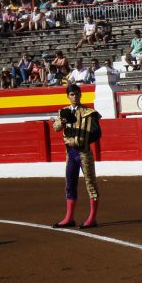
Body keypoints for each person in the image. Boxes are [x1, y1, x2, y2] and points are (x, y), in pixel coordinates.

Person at [51, 83, 102, 229]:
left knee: (90, 184)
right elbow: (56, 128)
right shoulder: (64, 112)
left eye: (77, 94)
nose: (75, 96)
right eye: (72, 94)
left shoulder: (89, 112)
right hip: (70, 153)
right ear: (68, 96)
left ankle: (92, 218)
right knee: (70, 184)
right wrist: (62, 121)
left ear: (81, 95)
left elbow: (97, 133)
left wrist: (80, 140)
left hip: (84, 152)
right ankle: (69, 218)